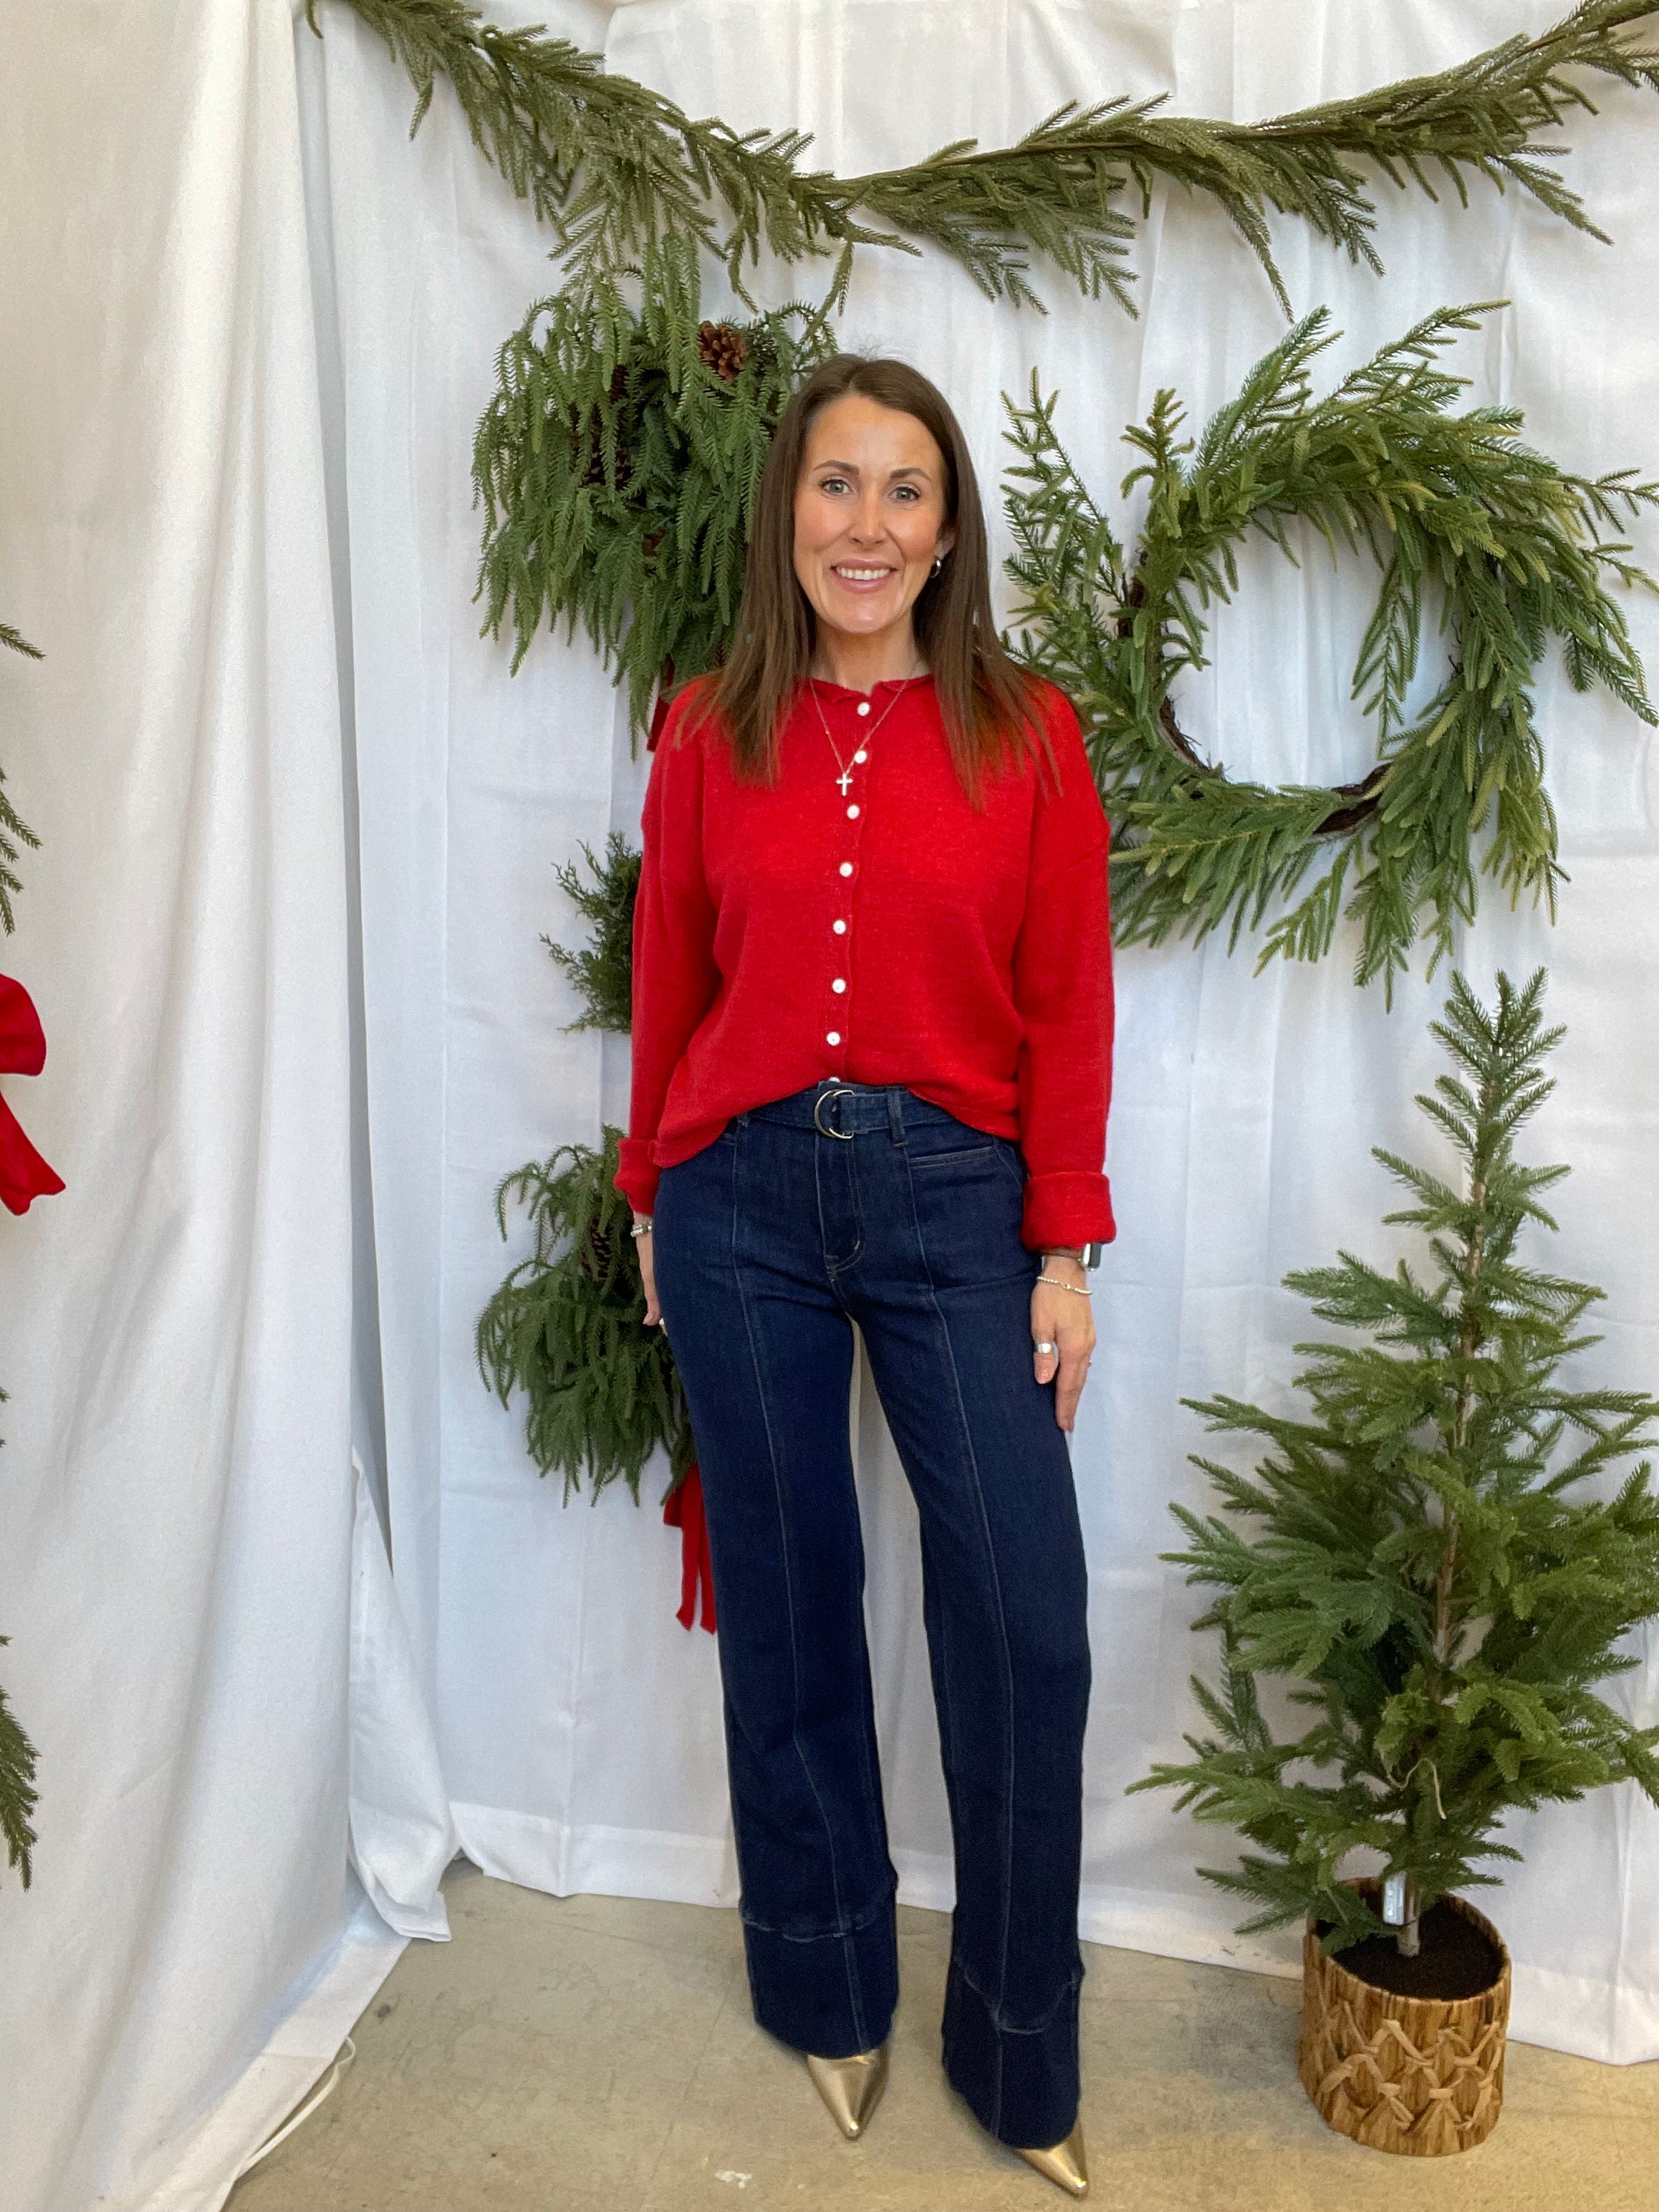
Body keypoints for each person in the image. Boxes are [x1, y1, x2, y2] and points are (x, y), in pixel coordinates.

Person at [615, 354, 1112, 2199]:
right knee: (799, 1608)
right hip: (736, 1197)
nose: (869, 526)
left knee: (1025, 1618)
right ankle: (826, 1982)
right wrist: (653, 1199)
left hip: (954, 1207)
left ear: (948, 528)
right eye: (839, 485)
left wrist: (1064, 1246)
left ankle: (1016, 2043)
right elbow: (669, 972)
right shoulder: (702, 730)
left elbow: (1066, 1005)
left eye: (909, 492)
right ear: (790, 512)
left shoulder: (1027, 735)